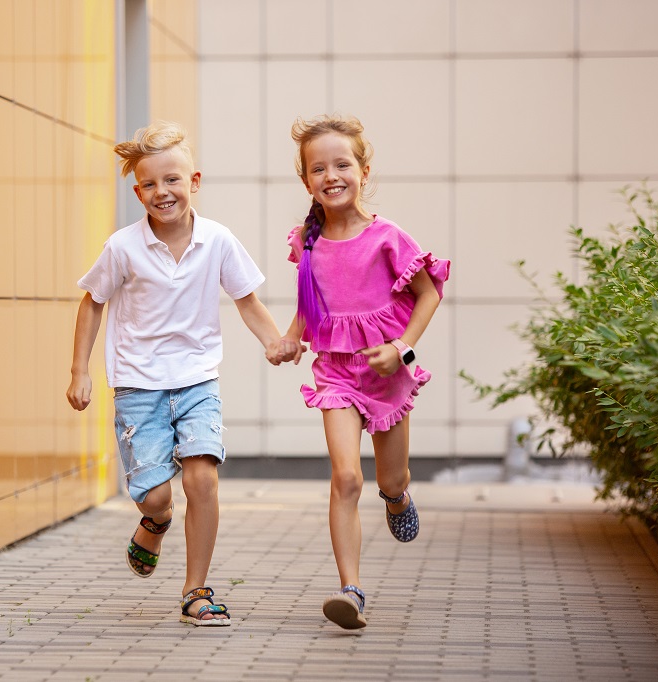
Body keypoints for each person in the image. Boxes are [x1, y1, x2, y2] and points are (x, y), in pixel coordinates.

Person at [66, 120, 285, 626]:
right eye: (150, 184)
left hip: (196, 381)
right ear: (138, 189)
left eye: (173, 180)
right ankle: (155, 521)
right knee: (160, 495)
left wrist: (274, 341)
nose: (162, 192)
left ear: (195, 181)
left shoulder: (218, 240)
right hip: (139, 386)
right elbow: (91, 304)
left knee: (202, 479)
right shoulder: (123, 247)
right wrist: (80, 371)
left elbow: (246, 300)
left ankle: (196, 591)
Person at [276, 114, 449, 630]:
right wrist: (290, 339)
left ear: (364, 171)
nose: (332, 175)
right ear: (306, 180)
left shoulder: (388, 237)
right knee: (346, 477)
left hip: (388, 373)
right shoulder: (307, 242)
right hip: (336, 374)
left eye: (342, 164)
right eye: (318, 168)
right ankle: (350, 589)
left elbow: (429, 294)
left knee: (389, 476)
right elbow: (311, 307)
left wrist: (402, 348)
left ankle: (396, 498)